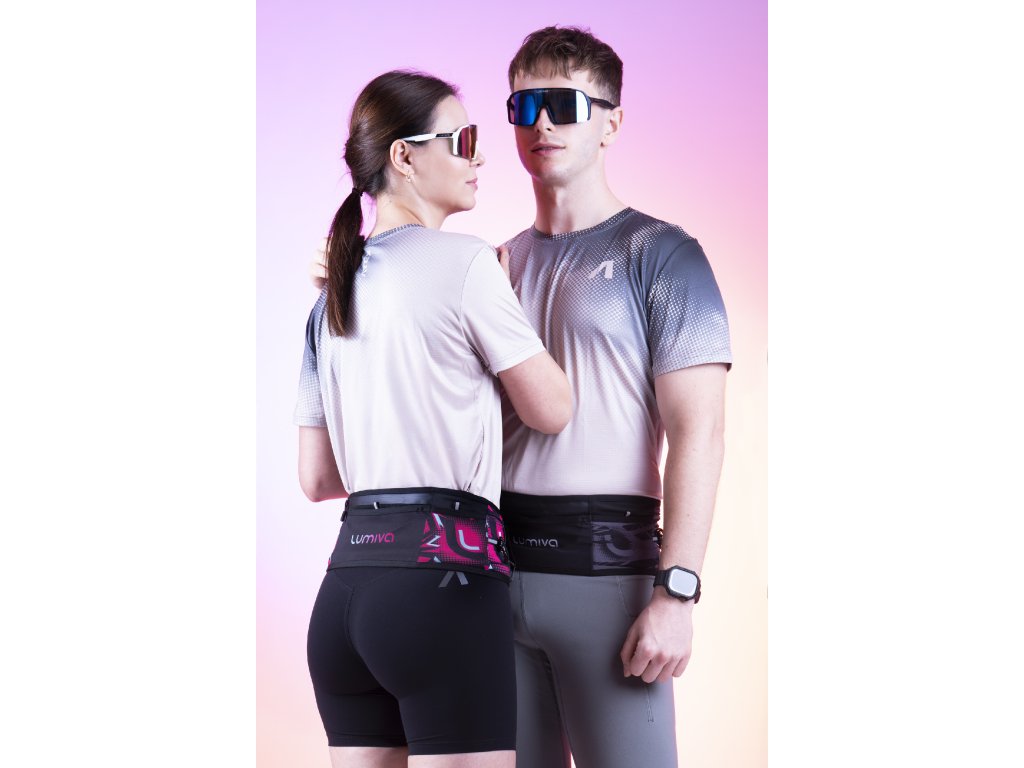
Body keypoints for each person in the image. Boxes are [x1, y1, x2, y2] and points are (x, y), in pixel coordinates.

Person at [294, 69, 572, 768]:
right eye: (462, 139)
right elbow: (553, 409)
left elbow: (317, 478)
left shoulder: (330, 295)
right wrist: (502, 304)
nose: (479, 156)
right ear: (405, 156)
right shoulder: (469, 264)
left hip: (344, 596)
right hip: (443, 589)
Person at [496, 26, 733, 768]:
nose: (542, 123)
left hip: (610, 585)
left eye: (564, 104)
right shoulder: (492, 268)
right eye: (524, 105)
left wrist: (677, 594)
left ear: (611, 122)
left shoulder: (662, 255)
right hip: (493, 579)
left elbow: (700, 431)